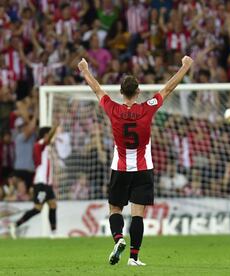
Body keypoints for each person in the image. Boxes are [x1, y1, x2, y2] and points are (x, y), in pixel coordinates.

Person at [77, 55, 193, 266]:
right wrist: (185, 67)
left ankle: (118, 239)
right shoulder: (146, 108)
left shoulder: (113, 108)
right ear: (138, 91)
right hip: (143, 169)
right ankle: (134, 258)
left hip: (120, 168)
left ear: (121, 92)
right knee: (138, 215)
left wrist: (85, 69)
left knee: (115, 209)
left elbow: (96, 89)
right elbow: (168, 88)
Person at [9, 125, 59, 239]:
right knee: (38, 208)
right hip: (40, 183)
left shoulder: (47, 147)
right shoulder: (40, 144)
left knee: (53, 205)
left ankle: (54, 233)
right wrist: (55, 128)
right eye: (50, 134)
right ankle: (15, 225)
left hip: (47, 184)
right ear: (46, 135)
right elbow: (47, 140)